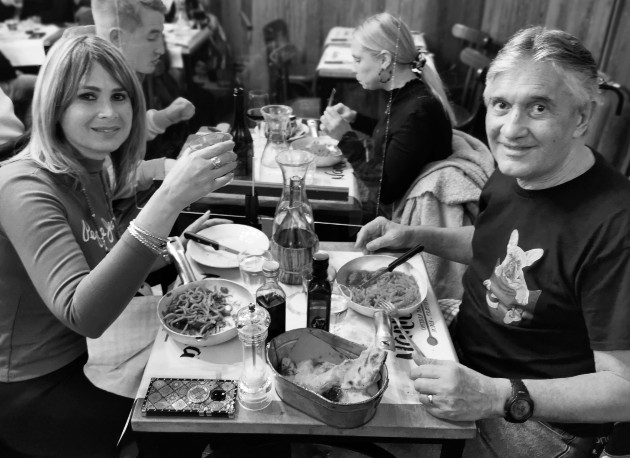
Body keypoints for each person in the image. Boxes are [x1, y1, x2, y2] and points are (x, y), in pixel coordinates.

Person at [355, 26, 630, 457]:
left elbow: (623, 390)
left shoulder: (615, 226)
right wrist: (415, 235)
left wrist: (493, 394)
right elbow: (491, 244)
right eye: (501, 105)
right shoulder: (517, 167)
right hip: (461, 355)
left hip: (534, 420)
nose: (511, 129)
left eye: (539, 107)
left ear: (580, 118)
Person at [0, 35, 236, 457]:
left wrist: (175, 248)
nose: (108, 112)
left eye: (119, 96)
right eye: (87, 96)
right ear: (55, 105)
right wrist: (167, 200)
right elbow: (83, 312)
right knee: (197, 410)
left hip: (93, 357)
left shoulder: (90, 169)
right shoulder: (21, 186)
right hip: (31, 386)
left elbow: (105, 261)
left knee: (223, 390)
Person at [320, 12, 454, 218]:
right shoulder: (409, 94)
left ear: (384, 59)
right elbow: (397, 135)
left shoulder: (418, 112)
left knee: (324, 212)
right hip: (395, 206)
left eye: (357, 60)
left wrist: (346, 138)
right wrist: (356, 118)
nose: (353, 67)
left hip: (402, 220)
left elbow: (385, 191)